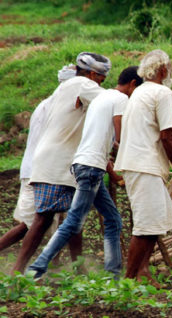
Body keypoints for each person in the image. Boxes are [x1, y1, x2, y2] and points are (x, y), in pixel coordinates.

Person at [27, 66, 144, 279]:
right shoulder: (121, 100)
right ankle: (37, 268)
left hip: (86, 164)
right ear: (133, 85)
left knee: (113, 219)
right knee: (73, 221)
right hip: (91, 168)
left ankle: (113, 275)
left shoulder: (102, 97)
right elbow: (120, 140)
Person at [12, 52, 111, 274]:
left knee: (75, 216)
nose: (100, 84)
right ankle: (16, 272)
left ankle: (78, 269)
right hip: (55, 162)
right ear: (93, 74)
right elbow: (111, 101)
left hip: (68, 163)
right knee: (43, 219)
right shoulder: (81, 84)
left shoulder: (69, 89)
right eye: (101, 80)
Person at [115, 49, 172, 286]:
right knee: (145, 226)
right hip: (143, 165)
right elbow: (166, 136)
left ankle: (141, 275)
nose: (170, 72)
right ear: (163, 70)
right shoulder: (162, 92)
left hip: (139, 163)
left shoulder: (140, 92)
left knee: (155, 223)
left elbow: (157, 136)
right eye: (170, 68)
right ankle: (129, 281)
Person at [0, 65, 77, 256]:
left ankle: (54, 267)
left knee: (57, 220)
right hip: (40, 171)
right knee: (33, 224)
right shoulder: (55, 107)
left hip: (44, 170)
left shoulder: (51, 104)